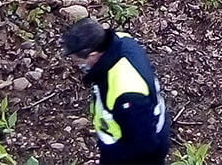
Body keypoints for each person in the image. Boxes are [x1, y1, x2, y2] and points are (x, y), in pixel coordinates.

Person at [63, 18, 171, 165]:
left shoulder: (127, 93)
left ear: (93, 55)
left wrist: (114, 156)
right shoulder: (121, 40)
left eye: (77, 61)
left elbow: (143, 146)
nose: (77, 64)